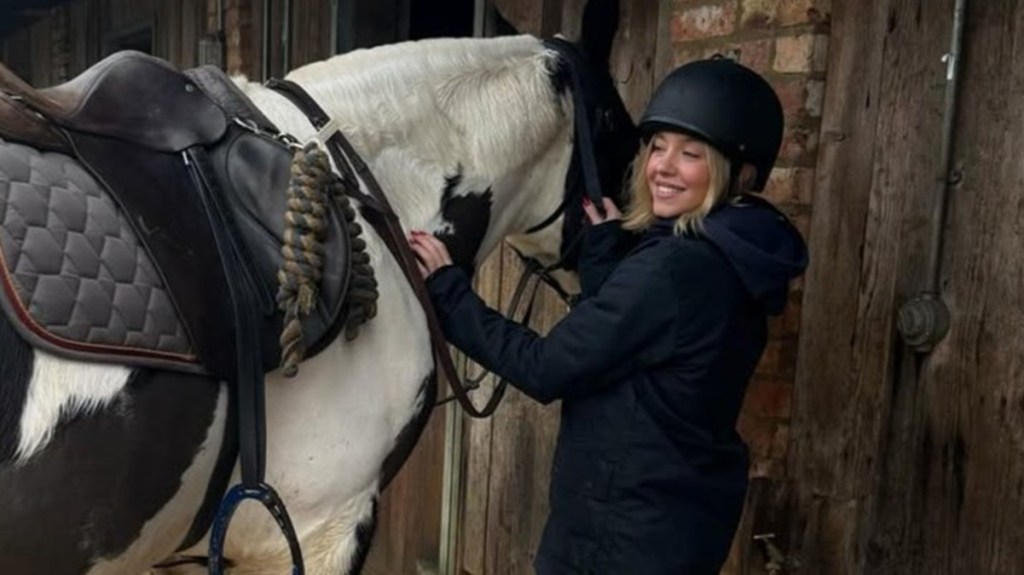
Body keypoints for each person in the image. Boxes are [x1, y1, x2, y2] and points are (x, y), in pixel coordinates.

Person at [409, 56, 809, 575]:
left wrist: (448, 293)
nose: (663, 166)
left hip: (616, 537)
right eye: (657, 146)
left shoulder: (673, 269)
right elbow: (641, 351)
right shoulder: (731, 256)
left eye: (690, 154)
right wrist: (605, 258)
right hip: (671, 525)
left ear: (737, 172)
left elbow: (546, 367)